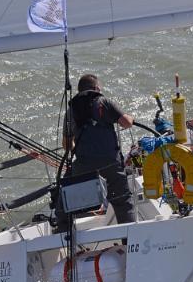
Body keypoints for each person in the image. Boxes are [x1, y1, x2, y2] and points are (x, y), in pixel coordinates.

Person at [55, 74, 135, 232]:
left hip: (84, 166)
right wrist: (131, 118)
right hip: (111, 163)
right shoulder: (103, 102)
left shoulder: (71, 110)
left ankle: (63, 238)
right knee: (123, 202)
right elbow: (126, 123)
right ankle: (130, 242)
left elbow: (67, 146)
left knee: (64, 202)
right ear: (97, 88)